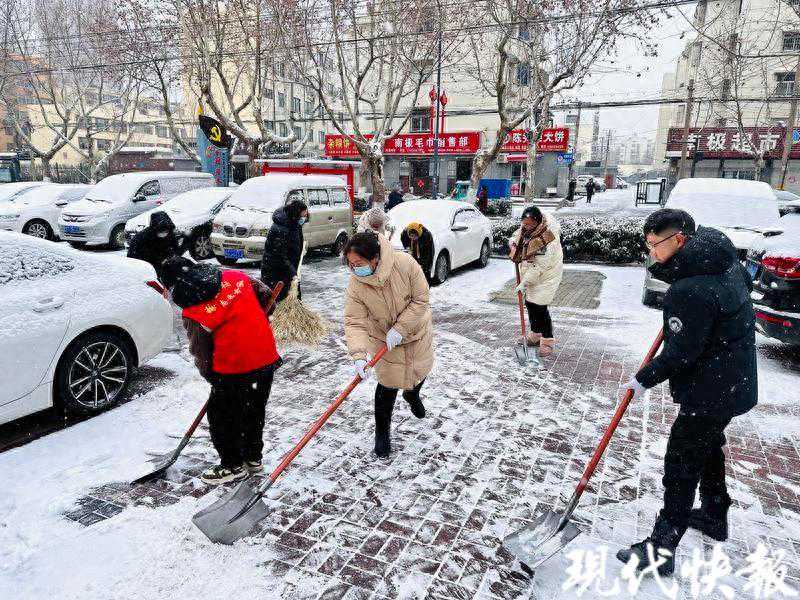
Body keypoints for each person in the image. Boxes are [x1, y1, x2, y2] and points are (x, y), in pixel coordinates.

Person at [616, 209, 757, 576]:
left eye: (654, 245)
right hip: (734, 378)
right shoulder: (721, 255)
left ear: (679, 240)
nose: (651, 253)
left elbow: (681, 353)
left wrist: (644, 378)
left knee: (681, 462)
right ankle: (713, 512)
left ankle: (661, 549)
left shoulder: (689, 289)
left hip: (709, 388)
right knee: (707, 443)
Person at [161, 257, 282, 485]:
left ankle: (232, 466)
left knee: (222, 417)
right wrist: (254, 314)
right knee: (253, 410)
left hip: (233, 366)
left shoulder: (193, 311)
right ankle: (252, 458)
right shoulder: (235, 277)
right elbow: (268, 298)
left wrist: (214, 379)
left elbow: (201, 352)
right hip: (265, 355)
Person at [343, 232, 434, 458]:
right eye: (351, 264)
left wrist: (400, 328)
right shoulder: (357, 283)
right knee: (387, 385)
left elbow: (421, 299)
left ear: (375, 258)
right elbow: (355, 320)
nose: (354, 269)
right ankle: (382, 433)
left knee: (420, 371)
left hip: (415, 333)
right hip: (384, 340)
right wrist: (358, 355)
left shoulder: (405, 264)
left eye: (359, 263)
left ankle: (412, 396)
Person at [508, 206, 563, 357]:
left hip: (547, 275)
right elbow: (517, 235)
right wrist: (513, 243)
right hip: (531, 272)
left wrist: (523, 283)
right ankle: (535, 335)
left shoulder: (547, 238)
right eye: (523, 223)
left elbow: (539, 267)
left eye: (529, 225)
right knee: (530, 304)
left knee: (540, 307)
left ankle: (547, 341)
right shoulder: (528, 226)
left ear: (537, 223)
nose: (525, 227)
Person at [260, 199, 308, 302]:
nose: (304, 218)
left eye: (305, 216)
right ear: (295, 214)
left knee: (294, 300)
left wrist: (300, 250)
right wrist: (292, 273)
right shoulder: (280, 229)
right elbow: (280, 255)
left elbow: (294, 244)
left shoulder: (295, 223)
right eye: (303, 216)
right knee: (278, 301)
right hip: (275, 271)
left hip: (288, 269)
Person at [127, 211, 181, 281]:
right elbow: (134, 258)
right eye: (161, 231)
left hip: (165, 266)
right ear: (155, 229)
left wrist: (170, 257)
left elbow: (175, 249)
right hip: (147, 269)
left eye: (166, 231)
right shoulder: (141, 239)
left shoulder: (170, 235)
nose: (164, 234)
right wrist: (159, 261)